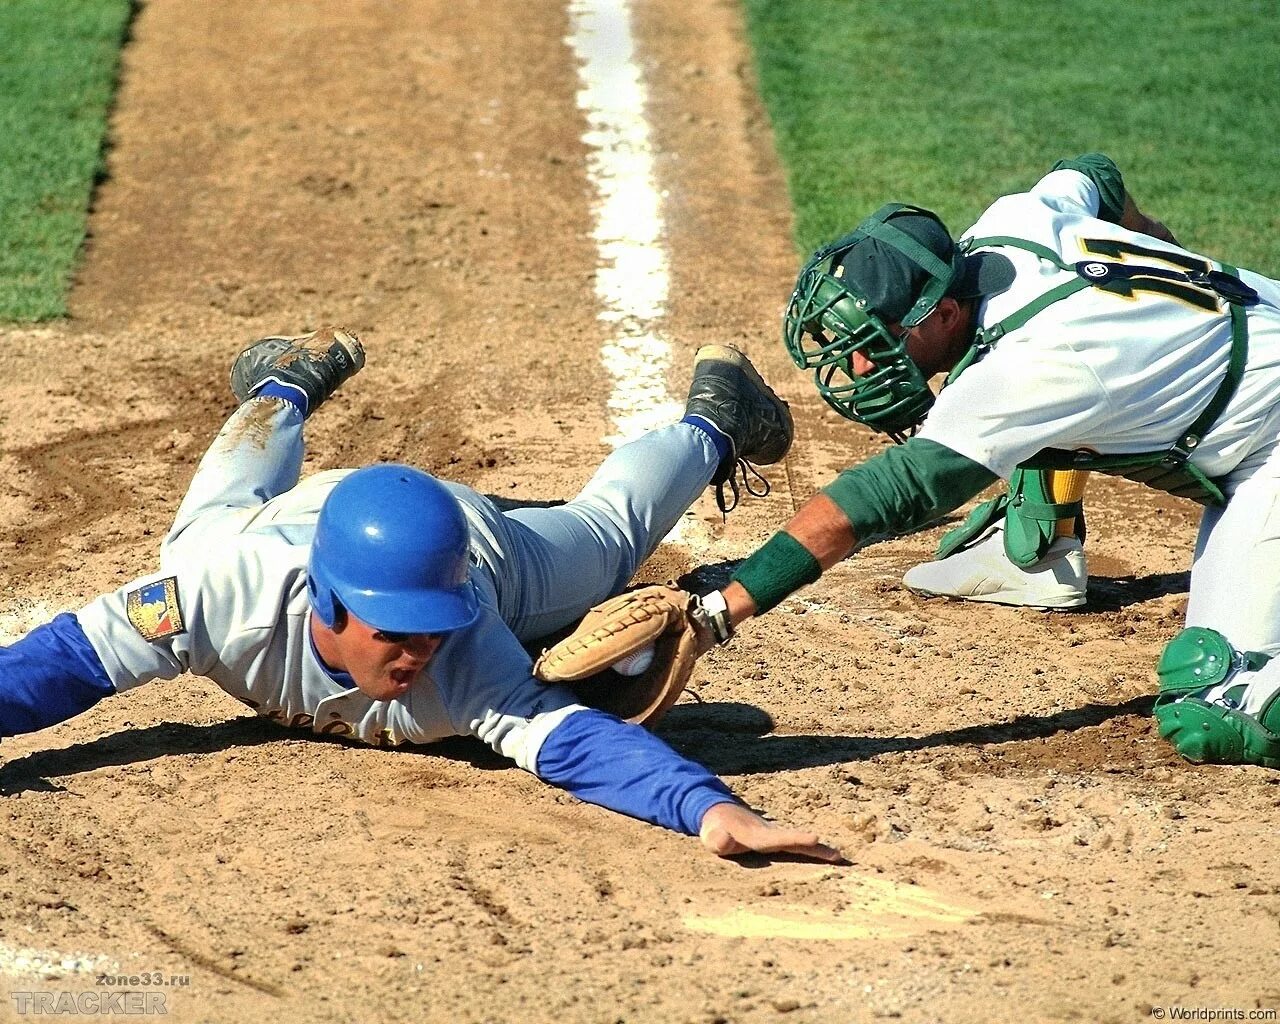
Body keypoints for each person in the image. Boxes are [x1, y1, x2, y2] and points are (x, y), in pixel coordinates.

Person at [0, 327, 842, 861]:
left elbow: (579, 746)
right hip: (295, 526)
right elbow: (61, 663)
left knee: (607, 544)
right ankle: (283, 384)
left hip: (473, 543)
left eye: (430, 630)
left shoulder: (466, 630)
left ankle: (713, 419)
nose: (418, 650)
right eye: (395, 631)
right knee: (195, 542)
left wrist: (706, 806)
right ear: (323, 607)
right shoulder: (220, 598)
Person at [692, 153, 1280, 767]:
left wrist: (720, 611)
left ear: (944, 313)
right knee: (1050, 416)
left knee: (1217, 704)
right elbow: (1094, 173)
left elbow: (886, 495)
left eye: (880, 340)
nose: (860, 366)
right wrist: (1152, 242)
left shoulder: (1031, 368)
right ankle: (1038, 544)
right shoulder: (1015, 221)